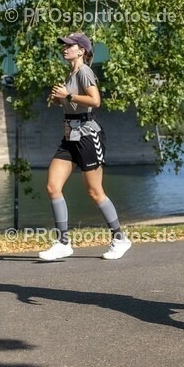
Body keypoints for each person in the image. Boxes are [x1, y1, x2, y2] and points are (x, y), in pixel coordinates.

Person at [38, 32, 131, 261]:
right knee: (53, 187)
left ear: (81, 50)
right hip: (69, 136)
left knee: (95, 192)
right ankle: (63, 243)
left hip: (88, 136)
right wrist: (60, 99)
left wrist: (68, 95)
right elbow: (73, 102)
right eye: (64, 46)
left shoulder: (84, 71)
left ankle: (120, 238)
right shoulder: (71, 74)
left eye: (69, 46)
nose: (64, 49)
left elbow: (95, 101)